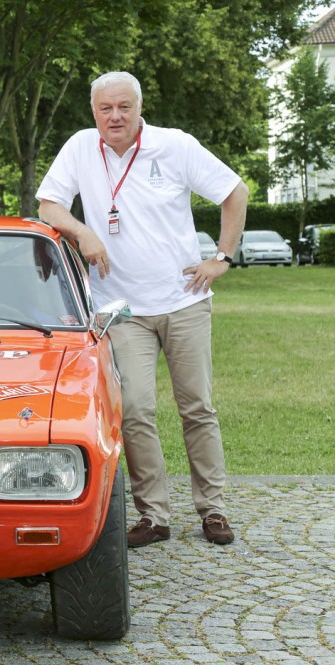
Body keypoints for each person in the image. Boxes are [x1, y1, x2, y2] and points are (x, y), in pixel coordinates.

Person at [36, 71, 248, 547]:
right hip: (121, 308)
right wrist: (83, 232)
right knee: (134, 411)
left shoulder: (175, 145)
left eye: (123, 107)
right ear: (93, 113)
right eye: (105, 108)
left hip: (183, 301)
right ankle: (154, 516)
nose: (115, 117)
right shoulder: (79, 148)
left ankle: (212, 509)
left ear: (139, 107)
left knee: (197, 407)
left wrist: (222, 256)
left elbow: (235, 192)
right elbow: (49, 204)